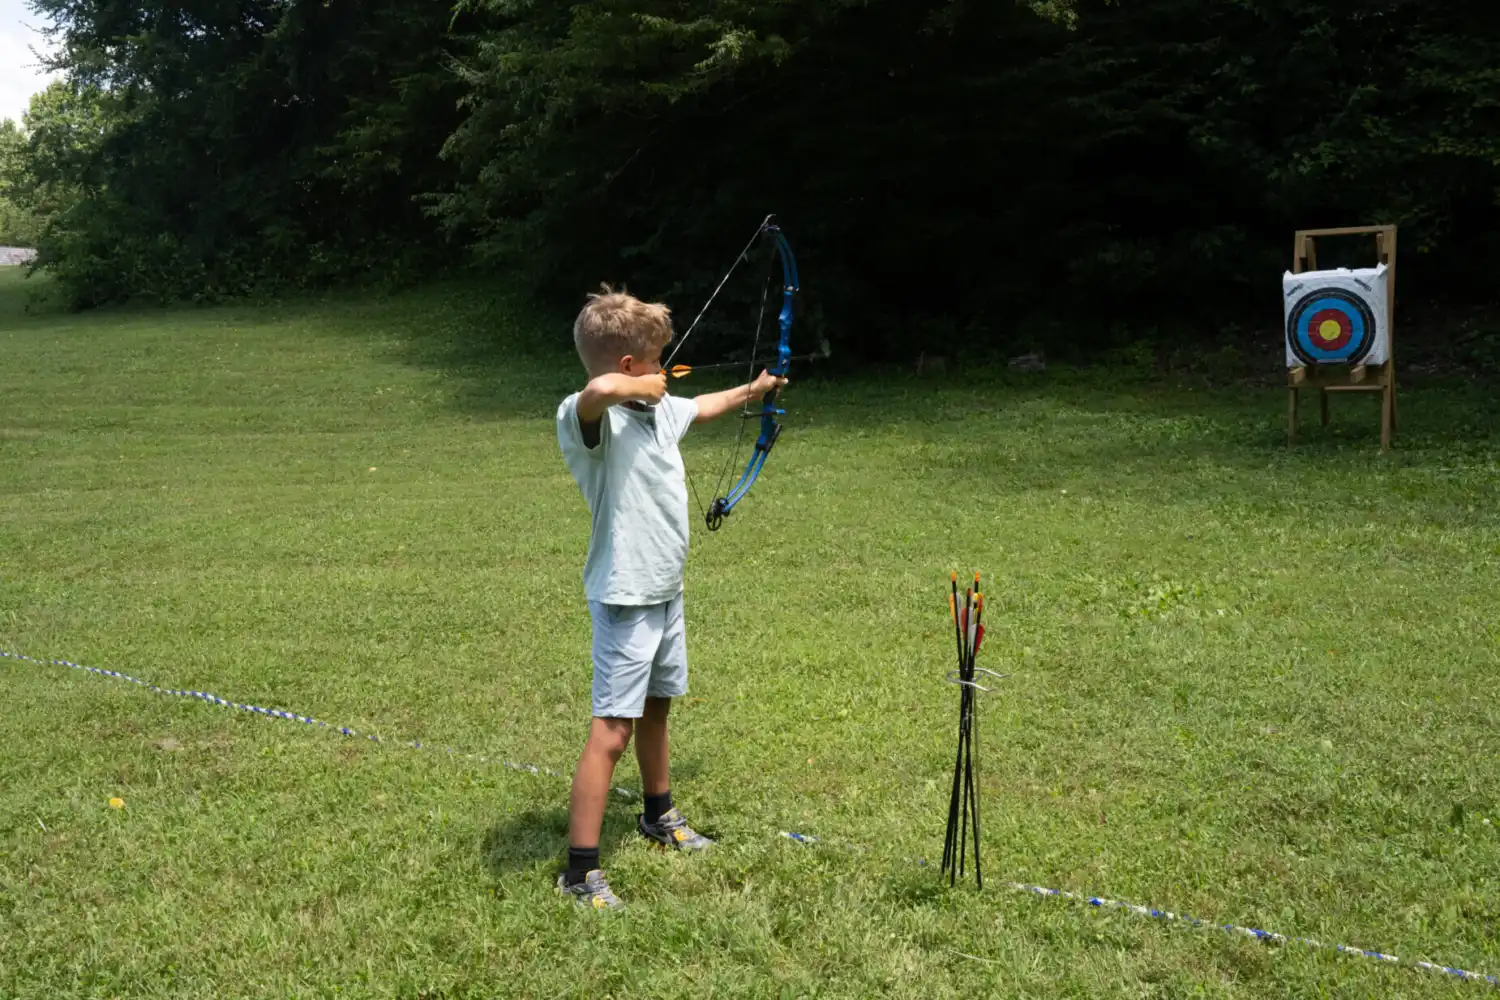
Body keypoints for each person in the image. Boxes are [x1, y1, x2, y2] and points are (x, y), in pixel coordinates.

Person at [553, 284, 786, 909]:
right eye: (658, 360)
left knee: (657, 707)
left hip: (664, 590)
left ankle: (658, 815)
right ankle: (580, 872)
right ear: (630, 368)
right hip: (625, 595)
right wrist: (636, 386)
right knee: (612, 730)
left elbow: (702, 406)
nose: (666, 370)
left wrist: (755, 390)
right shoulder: (589, 425)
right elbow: (596, 391)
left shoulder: (658, 412)